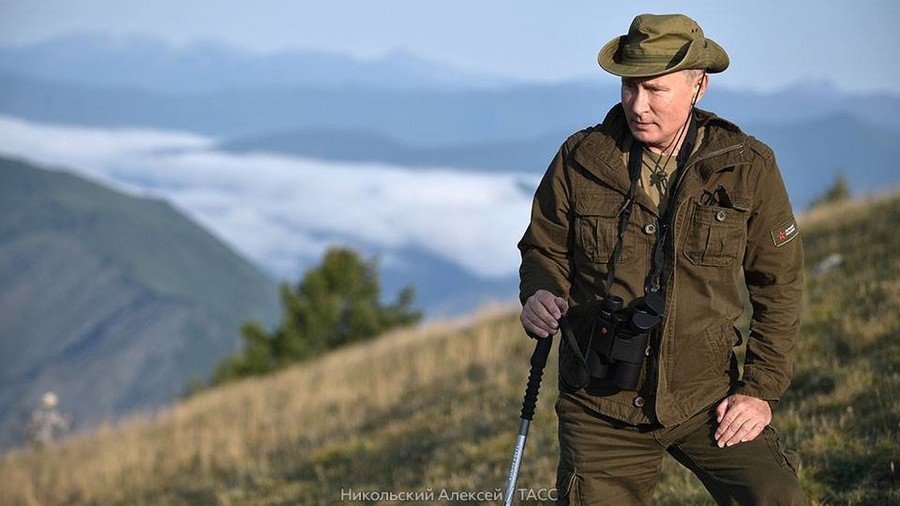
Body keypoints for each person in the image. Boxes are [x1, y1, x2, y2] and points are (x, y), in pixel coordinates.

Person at [517, 13, 806, 505]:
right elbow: (543, 247)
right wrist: (539, 292)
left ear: (699, 85)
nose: (638, 104)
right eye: (629, 87)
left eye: (655, 89)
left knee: (777, 498)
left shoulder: (746, 166)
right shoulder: (581, 158)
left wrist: (759, 391)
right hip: (599, 403)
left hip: (708, 397)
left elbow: (779, 286)